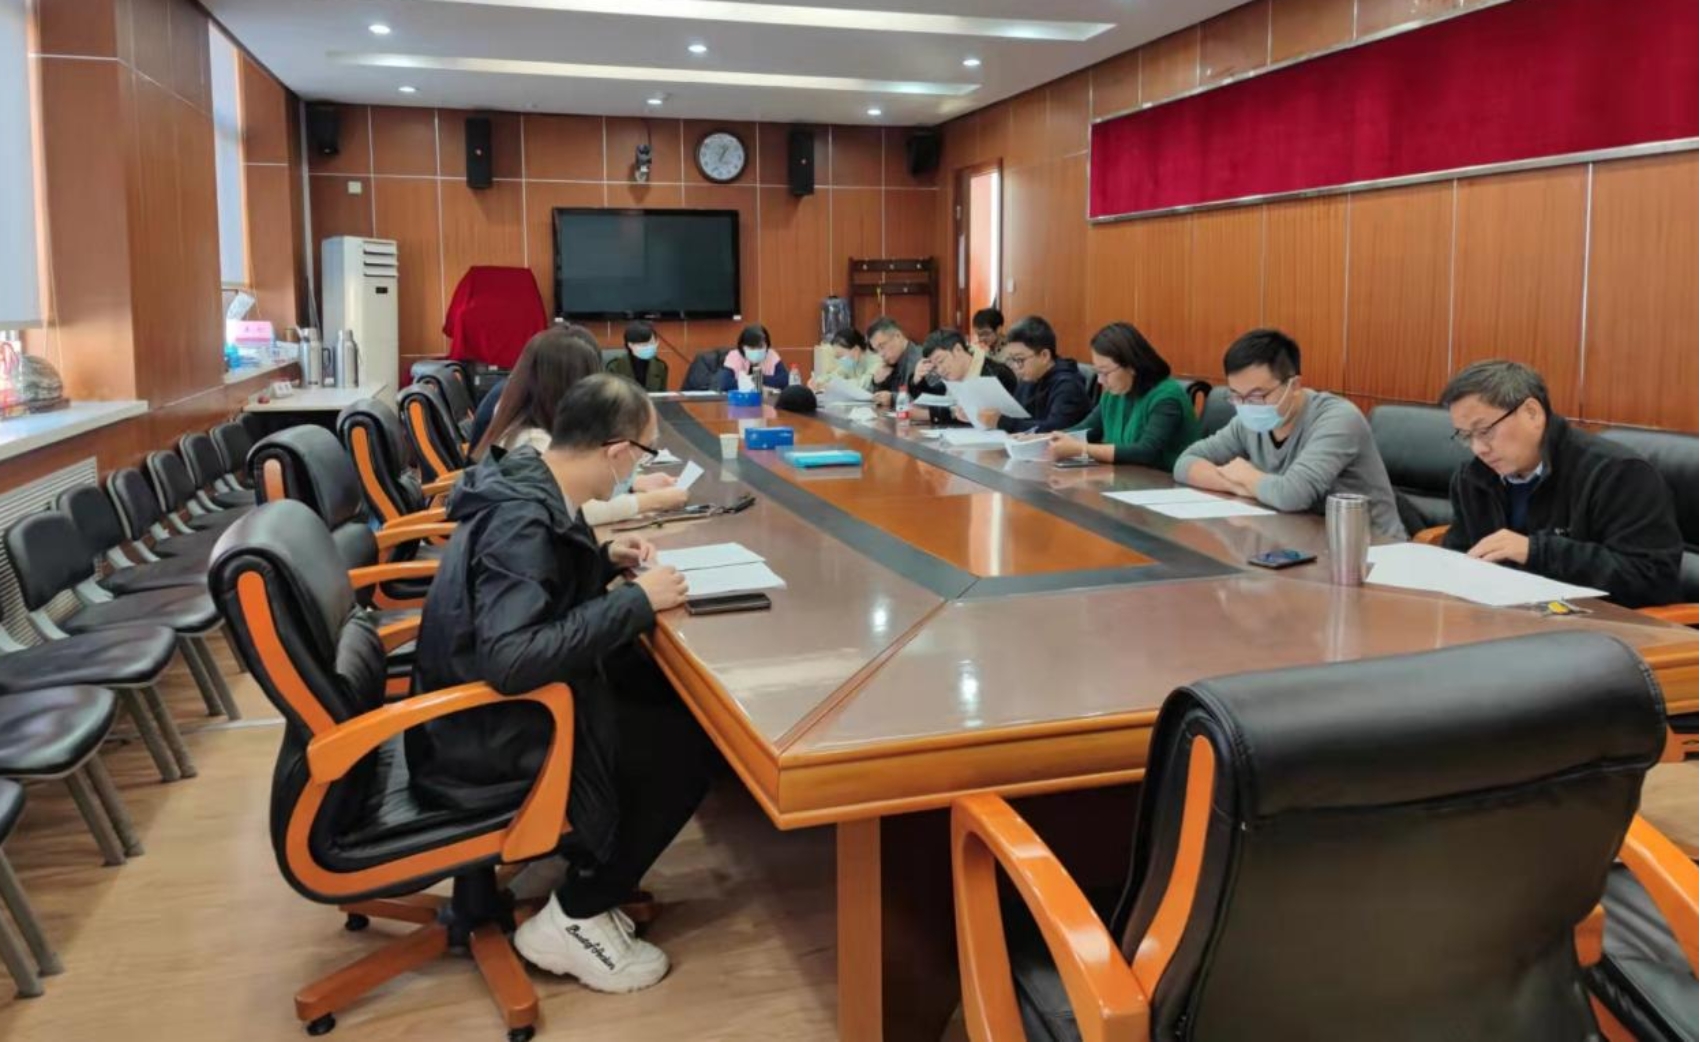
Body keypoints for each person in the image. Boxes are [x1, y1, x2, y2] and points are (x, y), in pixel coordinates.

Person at [409, 374, 714, 993]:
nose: (640, 468)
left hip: (466, 712)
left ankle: (596, 869)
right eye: (644, 453)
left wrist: (601, 563)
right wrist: (636, 603)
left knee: (656, 692)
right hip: (480, 734)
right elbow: (513, 658)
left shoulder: (527, 479)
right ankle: (578, 913)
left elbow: (533, 592)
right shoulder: (520, 521)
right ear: (617, 451)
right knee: (686, 749)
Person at [1438, 360, 1682, 608]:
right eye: (1466, 436)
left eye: (1484, 431)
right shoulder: (1473, 478)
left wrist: (1536, 551)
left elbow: (1651, 580)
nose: (1478, 448)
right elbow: (1459, 558)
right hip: (1506, 616)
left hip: (1599, 622)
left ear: (1532, 413)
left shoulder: (1618, 474)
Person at [1174, 328, 1405, 538]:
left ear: (1294, 386)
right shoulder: (1248, 422)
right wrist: (1239, 485)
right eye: (1236, 395)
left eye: (1257, 395)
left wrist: (1248, 476)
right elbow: (1185, 464)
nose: (1246, 405)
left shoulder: (1338, 419)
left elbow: (1292, 495)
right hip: (1294, 537)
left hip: (1369, 548)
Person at [475, 325, 688, 524]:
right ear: (571, 385)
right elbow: (577, 509)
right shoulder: (531, 441)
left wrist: (633, 483)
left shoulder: (520, 411)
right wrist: (653, 501)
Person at [1044, 322, 1198, 467]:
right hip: (1127, 478)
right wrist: (1043, 439)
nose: (1100, 381)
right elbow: (1087, 430)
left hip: (1164, 481)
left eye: (1105, 372)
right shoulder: (1115, 393)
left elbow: (1146, 452)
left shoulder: (1166, 397)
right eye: (1097, 372)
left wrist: (1081, 449)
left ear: (1131, 366)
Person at [981, 315, 1090, 435]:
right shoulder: (1029, 378)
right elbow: (1016, 416)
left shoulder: (1068, 386)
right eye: (1012, 359)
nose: (1016, 367)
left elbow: (1055, 430)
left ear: (1044, 356)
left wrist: (1003, 422)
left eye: (1020, 359)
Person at [867, 316, 921, 409]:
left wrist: (893, 398)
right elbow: (870, 399)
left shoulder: (919, 360)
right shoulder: (889, 364)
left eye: (882, 346)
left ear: (897, 336)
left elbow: (924, 401)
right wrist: (876, 383)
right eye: (876, 350)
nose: (881, 354)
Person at [716, 323, 790, 392]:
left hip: (766, 399)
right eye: (752, 347)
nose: (756, 351)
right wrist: (754, 382)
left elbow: (785, 380)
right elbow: (725, 384)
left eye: (760, 347)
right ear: (743, 346)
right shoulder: (734, 356)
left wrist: (759, 379)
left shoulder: (771, 355)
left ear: (767, 345)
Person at [809, 327, 880, 393]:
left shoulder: (877, 361)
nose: (840, 360)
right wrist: (818, 381)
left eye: (841, 355)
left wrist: (832, 386)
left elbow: (865, 384)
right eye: (837, 357)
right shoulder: (853, 363)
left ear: (856, 349)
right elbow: (837, 374)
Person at [605, 320, 668, 392]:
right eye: (643, 344)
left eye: (651, 343)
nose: (648, 346)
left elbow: (662, 395)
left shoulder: (660, 366)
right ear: (630, 345)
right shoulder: (615, 366)